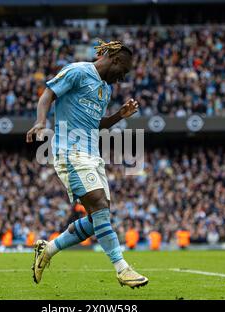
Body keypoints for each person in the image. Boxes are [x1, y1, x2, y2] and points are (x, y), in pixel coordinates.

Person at [26, 40, 149, 288]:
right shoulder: (78, 71)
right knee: (99, 206)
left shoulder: (106, 89)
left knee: (98, 218)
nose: (122, 77)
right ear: (114, 59)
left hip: (92, 154)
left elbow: (96, 124)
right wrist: (41, 122)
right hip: (70, 151)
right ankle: (122, 269)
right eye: (123, 71)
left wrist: (119, 116)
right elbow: (47, 94)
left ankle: (48, 249)